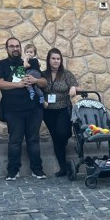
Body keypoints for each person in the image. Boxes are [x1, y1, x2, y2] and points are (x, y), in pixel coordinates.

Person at [0, 36, 46, 181]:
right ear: (6, 49)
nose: (15, 48)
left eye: (17, 46)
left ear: (21, 48)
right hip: (13, 109)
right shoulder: (2, 65)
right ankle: (13, 171)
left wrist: (35, 80)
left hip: (34, 109)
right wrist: (17, 85)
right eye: (11, 46)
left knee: (33, 139)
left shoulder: (32, 62)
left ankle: (37, 170)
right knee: (15, 140)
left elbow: (44, 81)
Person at [41, 47, 79, 177]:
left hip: (64, 108)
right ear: (49, 60)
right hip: (48, 111)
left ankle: (64, 142)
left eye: (58, 59)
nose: (56, 61)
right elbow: (37, 90)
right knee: (56, 138)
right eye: (53, 58)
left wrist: (73, 87)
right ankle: (63, 168)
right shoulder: (43, 75)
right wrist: (42, 100)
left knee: (63, 133)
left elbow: (76, 85)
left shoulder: (66, 74)